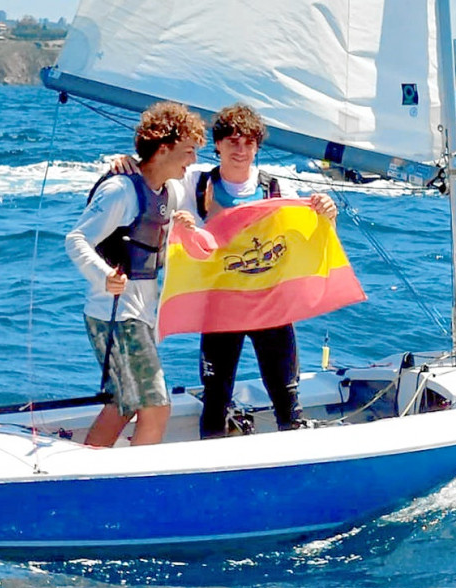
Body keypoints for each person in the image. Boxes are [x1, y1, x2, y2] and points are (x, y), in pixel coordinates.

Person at [111, 103, 338, 438]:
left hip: (269, 309)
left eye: (248, 143)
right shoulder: (194, 182)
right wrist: (122, 163)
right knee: (215, 401)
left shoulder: (277, 189)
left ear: (257, 147)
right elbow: (154, 173)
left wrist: (328, 213)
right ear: (217, 145)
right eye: (232, 141)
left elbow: (315, 237)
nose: (240, 150)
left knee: (287, 401)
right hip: (219, 308)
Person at [66, 101, 206, 447]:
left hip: (140, 314)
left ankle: (90, 472)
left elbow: (220, 178)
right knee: (155, 407)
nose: (192, 160)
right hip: (114, 314)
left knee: (123, 402)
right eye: (188, 151)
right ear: (163, 150)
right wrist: (103, 276)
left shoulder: (171, 189)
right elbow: (76, 239)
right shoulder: (120, 190)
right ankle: (137, 480)